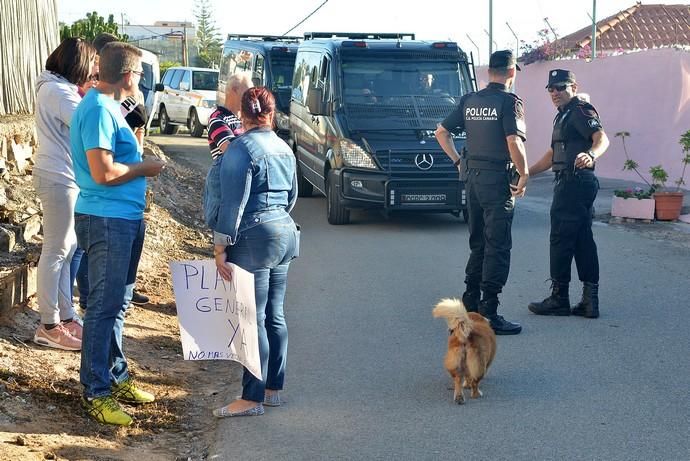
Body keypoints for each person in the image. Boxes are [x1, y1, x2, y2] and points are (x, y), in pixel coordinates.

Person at [71, 42, 166, 426]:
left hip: (122, 218)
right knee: (103, 307)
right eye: (141, 74)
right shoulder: (96, 109)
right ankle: (96, 391)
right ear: (128, 75)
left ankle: (116, 373)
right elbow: (103, 173)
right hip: (106, 219)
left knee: (119, 302)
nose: (141, 81)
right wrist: (144, 168)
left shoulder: (110, 107)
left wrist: (139, 154)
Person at [212, 87, 299, 417]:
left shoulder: (240, 148)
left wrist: (220, 247)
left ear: (242, 116)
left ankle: (251, 397)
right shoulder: (283, 147)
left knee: (253, 317)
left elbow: (232, 205)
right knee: (274, 314)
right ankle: (273, 388)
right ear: (271, 114)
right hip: (285, 232)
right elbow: (291, 198)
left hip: (254, 237)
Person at [435, 50, 529, 335]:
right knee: (497, 245)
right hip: (497, 181)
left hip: (472, 179)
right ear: (511, 73)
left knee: (478, 243)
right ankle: (490, 311)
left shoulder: (469, 101)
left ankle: (469, 305)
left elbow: (441, 131)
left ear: (490, 71)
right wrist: (524, 173)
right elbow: (514, 140)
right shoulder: (510, 102)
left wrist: (456, 161)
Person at [527, 70, 609, 319]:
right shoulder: (562, 116)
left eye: (560, 87)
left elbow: (601, 138)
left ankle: (559, 298)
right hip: (572, 182)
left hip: (574, 182)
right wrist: (525, 173)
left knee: (561, 239)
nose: (554, 92)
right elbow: (553, 156)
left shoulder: (581, 110)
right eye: (550, 88)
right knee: (582, 240)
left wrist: (592, 154)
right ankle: (589, 301)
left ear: (573, 86)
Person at [32, 37, 97, 351]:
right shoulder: (57, 92)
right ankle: (49, 324)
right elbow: (89, 124)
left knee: (67, 250)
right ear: (79, 64)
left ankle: (66, 316)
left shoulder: (61, 89)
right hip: (57, 177)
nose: (93, 73)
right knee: (56, 251)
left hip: (65, 176)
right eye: (91, 66)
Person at [203, 73, 252, 228]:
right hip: (227, 187)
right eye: (247, 92)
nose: (251, 98)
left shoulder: (244, 119)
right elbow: (232, 151)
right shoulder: (218, 118)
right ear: (234, 90)